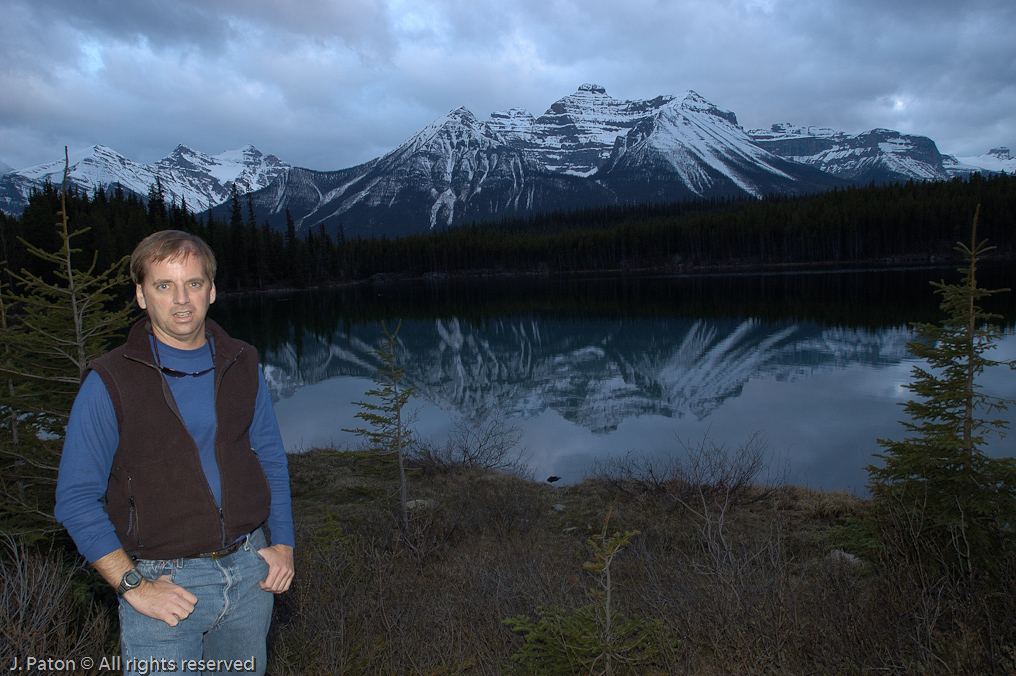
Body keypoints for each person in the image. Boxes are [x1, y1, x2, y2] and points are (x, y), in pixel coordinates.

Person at [55, 230, 294, 675]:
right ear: (142, 296)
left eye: (194, 283)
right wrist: (134, 587)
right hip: (164, 587)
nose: (181, 300)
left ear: (213, 290)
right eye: (164, 285)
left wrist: (283, 543)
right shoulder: (109, 382)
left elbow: (270, 459)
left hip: (249, 577)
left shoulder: (242, 362)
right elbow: (74, 500)